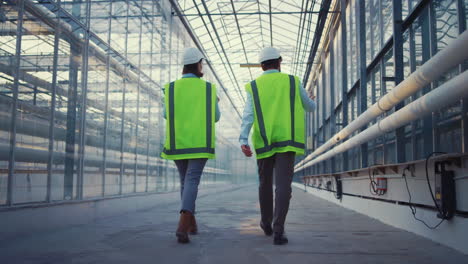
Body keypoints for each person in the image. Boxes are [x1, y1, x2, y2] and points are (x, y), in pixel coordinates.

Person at [239, 47, 316, 245]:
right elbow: (310, 107)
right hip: (287, 141)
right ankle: (278, 230)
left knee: (264, 183)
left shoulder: (254, 86)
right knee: (283, 186)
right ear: (279, 62)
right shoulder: (292, 81)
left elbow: (248, 115)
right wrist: (311, 100)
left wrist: (243, 139)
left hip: (264, 141)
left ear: (262, 65)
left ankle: (266, 223)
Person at [161, 47, 220, 244]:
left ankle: (191, 224)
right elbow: (217, 117)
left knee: (185, 182)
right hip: (199, 143)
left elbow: (166, 114)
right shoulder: (209, 89)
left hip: (178, 142)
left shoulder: (170, 88)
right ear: (198, 65)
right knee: (192, 181)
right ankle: (182, 225)